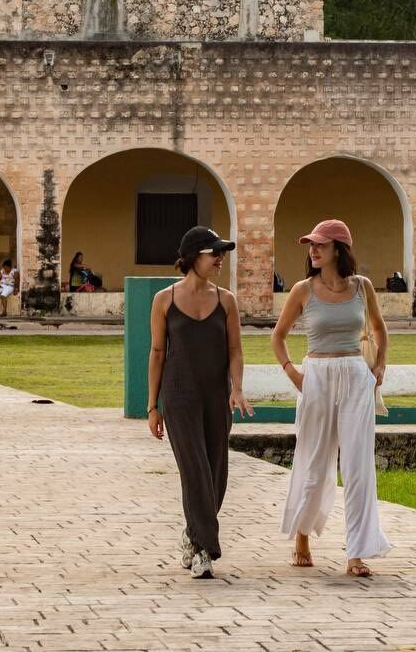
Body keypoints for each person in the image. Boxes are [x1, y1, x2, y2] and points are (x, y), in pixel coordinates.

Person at [271, 219, 392, 577]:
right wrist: (293, 372)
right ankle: (302, 535)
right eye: (311, 245)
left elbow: (378, 327)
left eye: (321, 245)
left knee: (358, 465)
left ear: (339, 249)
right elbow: (277, 337)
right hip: (317, 376)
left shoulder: (362, 287)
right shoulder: (302, 290)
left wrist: (379, 366)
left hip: (356, 375)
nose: (313, 250)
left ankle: (357, 551)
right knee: (313, 460)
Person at [147, 226, 253, 579]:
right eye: (214, 252)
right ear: (194, 256)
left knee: (216, 474)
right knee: (195, 472)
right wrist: (152, 406)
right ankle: (205, 550)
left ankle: (193, 536)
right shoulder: (164, 300)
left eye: (222, 252)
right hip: (178, 395)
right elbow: (158, 352)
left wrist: (237, 387)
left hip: (215, 395)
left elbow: (235, 349)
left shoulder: (226, 301)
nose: (221, 258)